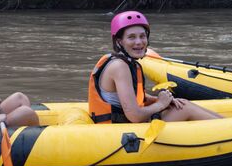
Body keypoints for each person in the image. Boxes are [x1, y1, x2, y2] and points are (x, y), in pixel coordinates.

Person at [89, 11, 222, 123]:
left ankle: (227, 124)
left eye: (142, 36)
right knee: (185, 108)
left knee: (183, 103)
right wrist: (160, 104)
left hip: (126, 123)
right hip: (118, 130)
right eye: (131, 37)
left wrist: (162, 100)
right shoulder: (119, 66)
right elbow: (135, 116)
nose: (139, 42)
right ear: (119, 42)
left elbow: (135, 96)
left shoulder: (126, 63)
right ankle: (229, 130)